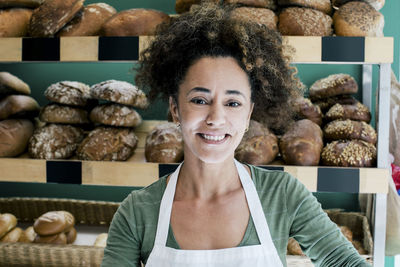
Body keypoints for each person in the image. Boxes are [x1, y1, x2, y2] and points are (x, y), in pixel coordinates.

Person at [102, 3, 371, 266]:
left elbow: (342, 261)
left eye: (233, 103)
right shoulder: (136, 212)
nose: (216, 119)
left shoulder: (283, 195)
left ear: (249, 113)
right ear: (175, 108)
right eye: (199, 100)